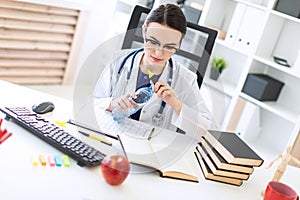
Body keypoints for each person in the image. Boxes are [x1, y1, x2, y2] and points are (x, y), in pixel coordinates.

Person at [95, 3, 212, 138]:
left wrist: (176, 104)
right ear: (144, 31)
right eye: (153, 42)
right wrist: (111, 104)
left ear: (180, 43)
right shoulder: (119, 61)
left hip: (152, 150)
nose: (158, 53)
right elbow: (93, 103)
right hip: (110, 138)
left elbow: (207, 131)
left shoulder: (186, 79)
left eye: (169, 47)